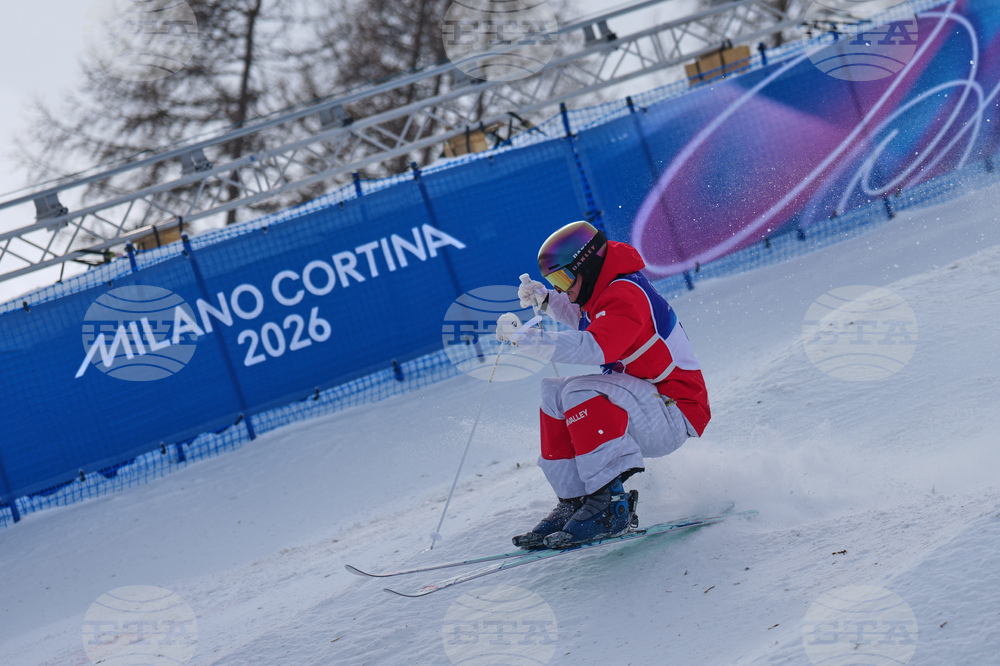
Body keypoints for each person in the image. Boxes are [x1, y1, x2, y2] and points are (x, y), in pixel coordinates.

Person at [495, 220, 710, 549]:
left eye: (564, 278)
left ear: (589, 265)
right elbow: (583, 316)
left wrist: (535, 341)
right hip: (646, 404)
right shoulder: (603, 291)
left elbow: (594, 346)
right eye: (556, 280)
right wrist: (547, 300)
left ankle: (610, 504)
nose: (563, 288)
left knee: (578, 392)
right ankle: (576, 500)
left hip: (674, 411)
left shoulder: (626, 295)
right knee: (552, 392)